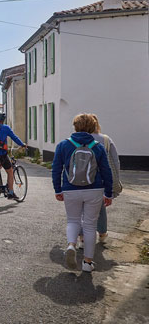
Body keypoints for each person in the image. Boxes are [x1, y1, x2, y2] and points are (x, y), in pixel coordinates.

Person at [52, 113, 113, 273]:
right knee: (90, 225)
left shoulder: (63, 145)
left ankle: (71, 245)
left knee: (73, 220)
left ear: (75, 126)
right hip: (94, 189)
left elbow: (56, 169)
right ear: (93, 128)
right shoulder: (98, 147)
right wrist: (108, 192)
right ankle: (87, 263)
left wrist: (58, 189)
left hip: (70, 189)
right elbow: (106, 171)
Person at [77, 114, 121, 249]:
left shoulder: (76, 140)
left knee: (80, 209)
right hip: (100, 181)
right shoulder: (106, 140)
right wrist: (115, 180)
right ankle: (102, 233)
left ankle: (82, 238)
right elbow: (115, 161)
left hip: (80, 179)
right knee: (100, 208)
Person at [0, 112, 26, 199]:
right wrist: (22, 144)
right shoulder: (5, 128)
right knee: (10, 171)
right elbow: (14, 137)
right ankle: (11, 193)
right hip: (1, 154)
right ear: (3, 119)